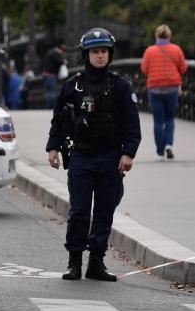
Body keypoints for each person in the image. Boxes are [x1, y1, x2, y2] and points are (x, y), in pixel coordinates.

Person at [46, 28, 141, 282]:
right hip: (81, 157)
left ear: (110, 54)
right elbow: (58, 119)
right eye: (94, 51)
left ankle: (96, 262)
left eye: (103, 51)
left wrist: (128, 153)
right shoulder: (72, 86)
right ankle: (74, 262)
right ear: (85, 55)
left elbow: (132, 124)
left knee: (104, 211)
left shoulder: (121, 86)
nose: (100, 56)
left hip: (110, 158)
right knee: (79, 211)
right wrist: (53, 147)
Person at [140, 25, 187, 160]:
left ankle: (160, 152)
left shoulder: (149, 51)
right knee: (170, 118)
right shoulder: (176, 49)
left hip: (155, 88)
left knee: (158, 121)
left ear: (157, 36)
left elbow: (144, 68)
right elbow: (183, 67)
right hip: (172, 87)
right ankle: (168, 145)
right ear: (169, 36)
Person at [42, 40, 67, 108]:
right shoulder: (55, 53)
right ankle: (50, 106)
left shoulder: (50, 52)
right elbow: (60, 62)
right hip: (51, 75)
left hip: (46, 74)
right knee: (51, 91)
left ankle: (47, 105)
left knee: (48, 91)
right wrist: (63, 59)